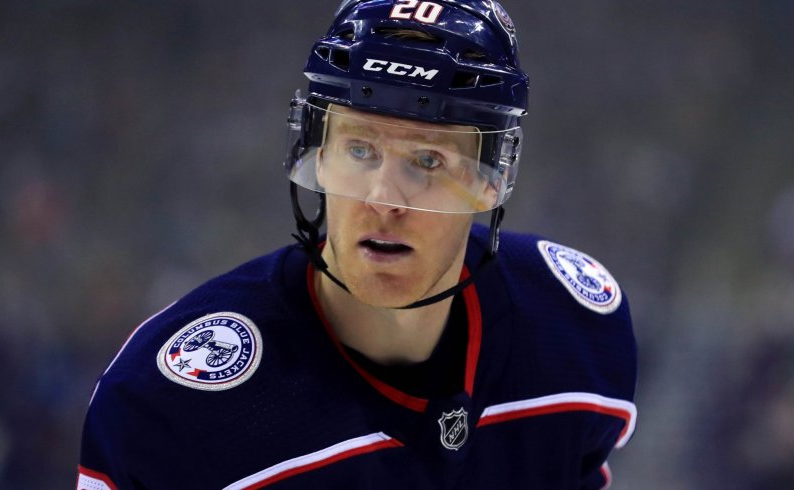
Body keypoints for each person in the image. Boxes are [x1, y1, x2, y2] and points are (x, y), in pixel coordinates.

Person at [77, 1, 637, 488]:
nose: (383, 199)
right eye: (360, 150)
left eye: (427, 160)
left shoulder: (574, 331)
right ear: (317, 152)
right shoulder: (172, 399)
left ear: (492, 178)